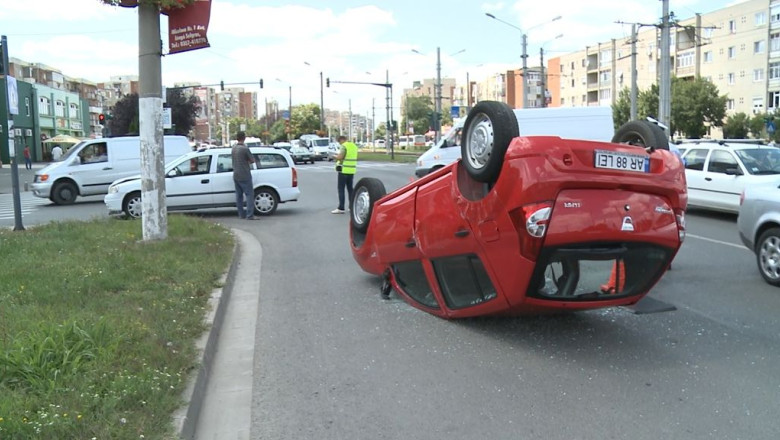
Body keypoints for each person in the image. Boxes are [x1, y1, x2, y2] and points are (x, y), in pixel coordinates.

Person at [231, 131, 258, 220]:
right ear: (244, 138)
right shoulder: (245, 149)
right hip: (245, 174)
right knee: (249, 195)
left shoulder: (233, 148)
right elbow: (252, 160)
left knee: (239, 195)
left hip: (236, 174)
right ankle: (250, 215)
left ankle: (241, 214)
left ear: (237, 138)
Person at [332, 135, 358, 214]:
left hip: (343, 170)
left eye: (339, 142)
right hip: (351, 170)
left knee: (341, 189)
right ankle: (351, 206)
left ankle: (341, 207)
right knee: (350, 189)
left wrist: (334, 156)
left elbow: (340, 157)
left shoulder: (344, 146)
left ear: (341, 140)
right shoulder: (354, 146)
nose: (339, 144)